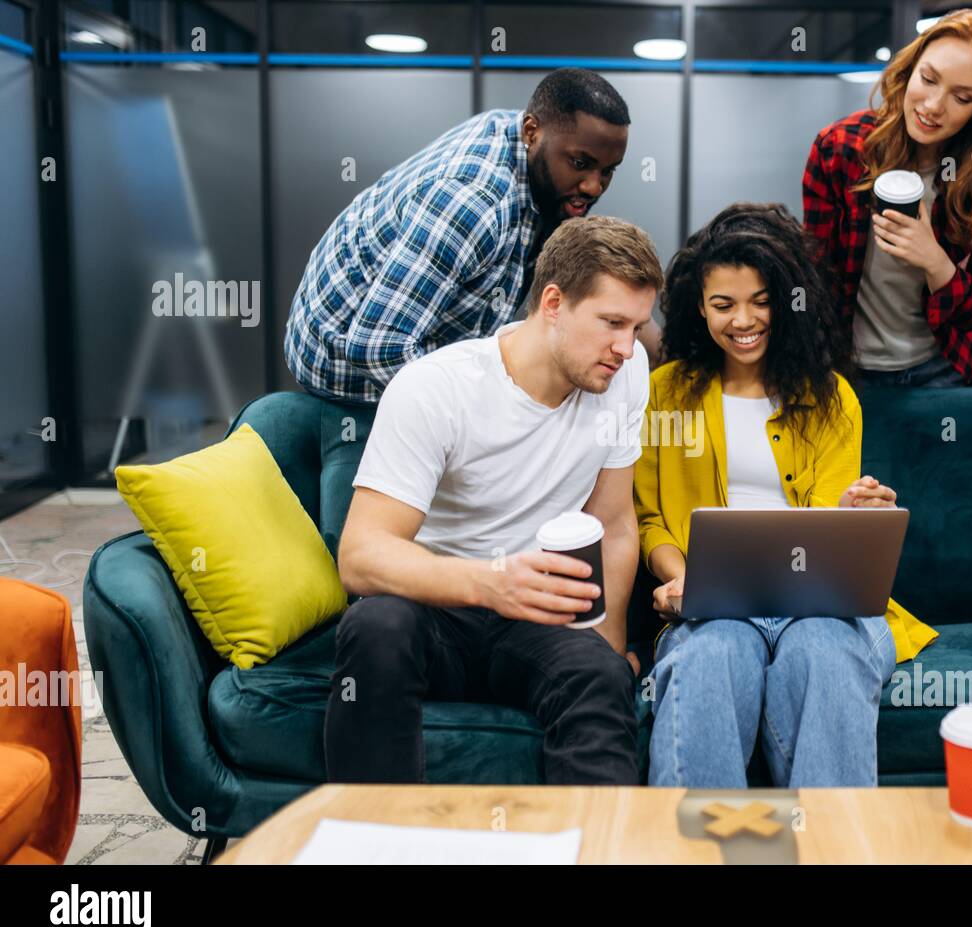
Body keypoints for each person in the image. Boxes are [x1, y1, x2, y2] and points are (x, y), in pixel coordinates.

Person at [324, 215, 663, 785]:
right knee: (377, 625)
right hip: (437, 606)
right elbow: (361, 555)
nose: (627, 347)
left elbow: (614, 523)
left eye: (637, 326)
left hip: (536, 619)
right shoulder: (439, 387)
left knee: (600, 676)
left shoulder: (624, 376)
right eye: (611, 323)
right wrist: (492, 581)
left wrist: (609, 646)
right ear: (553, 302)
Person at [634, 203, 937, 789]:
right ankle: (692, 853)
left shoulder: (831, 397)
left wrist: (850, 519)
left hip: (819, 605)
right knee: (708, 655)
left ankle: (833, 849)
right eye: (723, 304)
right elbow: (651, 520)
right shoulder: (665, 393)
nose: (743, 320)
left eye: (761, 301)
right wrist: (686, 581)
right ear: (699, 307)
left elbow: (825, 530)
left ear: (790, 300)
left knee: (823, 650)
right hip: (712, 606)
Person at [285, 68, 660, 404]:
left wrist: (671, 352)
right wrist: (477, 421)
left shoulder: (532, 150)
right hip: (345, 369)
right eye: (581, 164)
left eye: (608, 171)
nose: (594, 186)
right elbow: (378, 346)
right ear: (532, 132)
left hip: (406, 337)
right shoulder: (472, 204)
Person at [802, 8, 972, 387]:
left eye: (962, 97)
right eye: (929, 79)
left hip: (943, 368)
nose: (934, 106)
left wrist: (935, 261)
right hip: (849, 368)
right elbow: (815, 277)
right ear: (909, 69)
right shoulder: (840, 149)